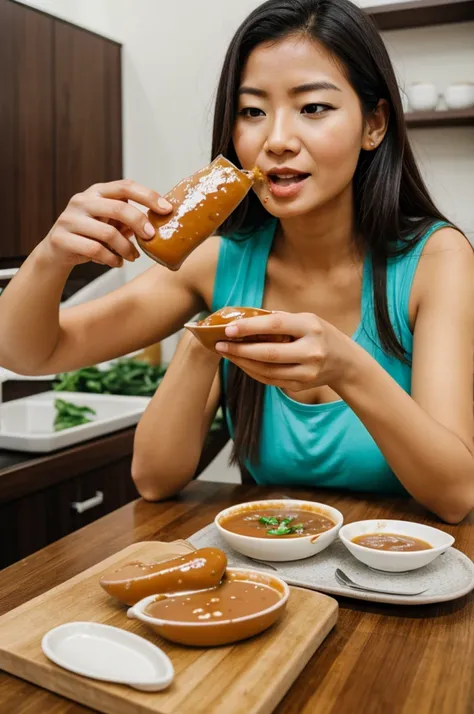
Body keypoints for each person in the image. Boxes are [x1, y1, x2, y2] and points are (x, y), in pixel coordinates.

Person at [0, 0, 472, 522]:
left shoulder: (436, 258)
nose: (276, 141)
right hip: (271, 575)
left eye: (313, 108)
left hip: (405, 579)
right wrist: (51, 257)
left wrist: (345, 365)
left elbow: (455, 496)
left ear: (374, 125)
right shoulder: (217, 262)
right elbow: (31, 356)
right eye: (252, 111)